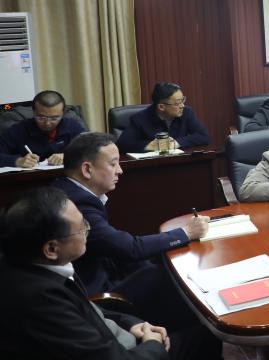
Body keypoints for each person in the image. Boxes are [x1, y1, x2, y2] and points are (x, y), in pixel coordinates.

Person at [0, 187, 264, 360]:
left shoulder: (34, 268)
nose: (88, 231)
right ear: (51, 248)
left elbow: (90, 309)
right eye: (81, 228)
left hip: (113, 353)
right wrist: (152, 345)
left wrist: (134, 324)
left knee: (207, 336)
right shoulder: (38, 301)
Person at [51, 132, 209, 330]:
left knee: (159, 263)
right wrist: (186, 233)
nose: (120, 170)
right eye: (113, 164)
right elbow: (129, 248)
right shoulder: (77, 203)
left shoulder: (68, 189)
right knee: (170, 277)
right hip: (97, 294)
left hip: (107, 270)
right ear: (87, 169)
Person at [0, 90, 86, 168]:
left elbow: (91, 150)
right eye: (41, 118)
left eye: (54, 118)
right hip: (31, 178)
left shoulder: (73, 126)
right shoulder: (19, 130)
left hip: (65, 175)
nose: (47, 123)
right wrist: (17, 161)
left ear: (62, 113)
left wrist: (67, 156)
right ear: (34, 112)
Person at [117, 82, 210, 153]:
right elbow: (122, 144)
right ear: (161, 107)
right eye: (178, 103)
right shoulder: (140, 119)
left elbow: (204, 136)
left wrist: (176, 143)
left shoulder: (186, 113)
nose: (182, 106)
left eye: (183, 100)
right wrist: (149, 146)